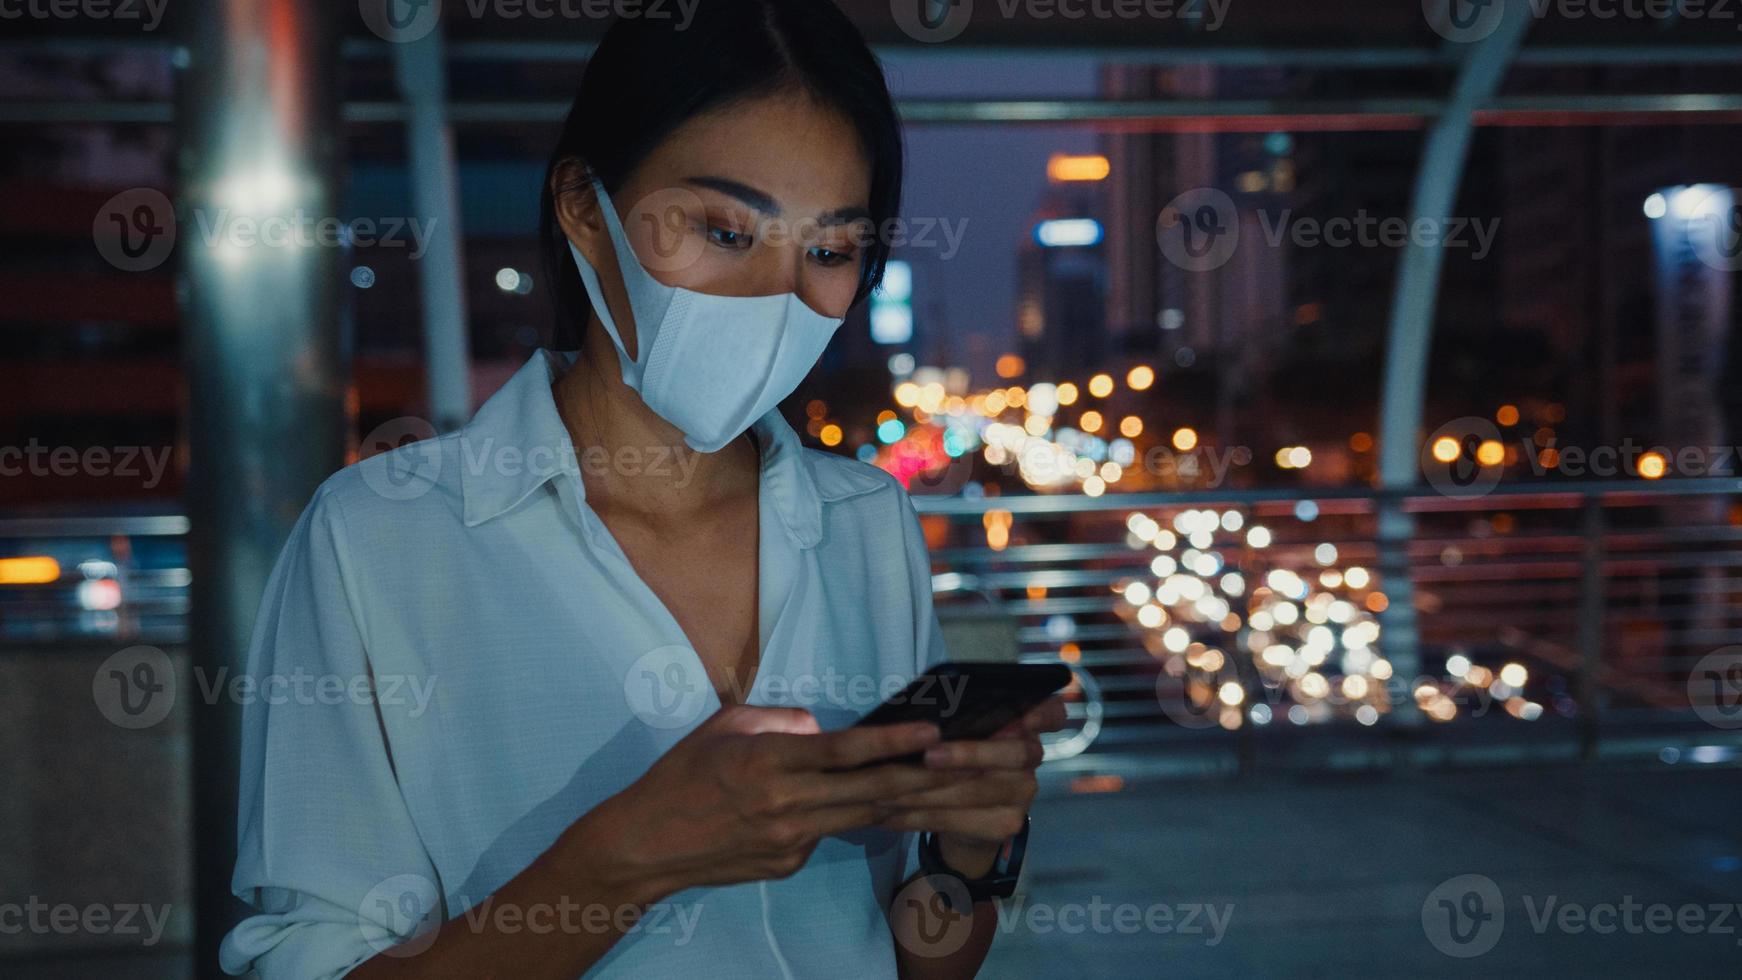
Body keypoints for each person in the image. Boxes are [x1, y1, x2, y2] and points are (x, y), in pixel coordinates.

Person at [218, 2, 1065, 977]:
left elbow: (921, 954)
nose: (777, 296)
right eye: (720, 227)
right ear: (585, 208)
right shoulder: (380, 539)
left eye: (828, 250)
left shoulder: (862, 520)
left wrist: (967, 852)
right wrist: (626, 860)